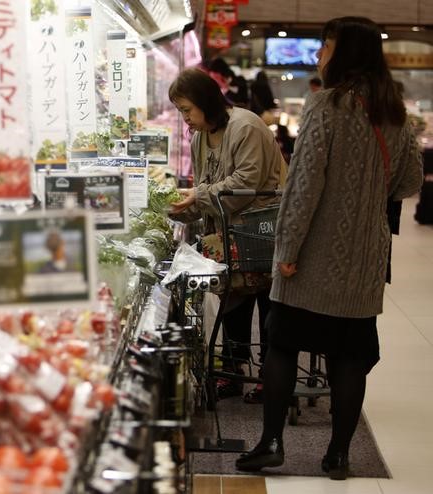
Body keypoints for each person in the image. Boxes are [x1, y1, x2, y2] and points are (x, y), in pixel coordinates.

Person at [235, 17, 422, 480]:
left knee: (281, 342)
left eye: (326, 45)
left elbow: (303, 187)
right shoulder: (393, 111)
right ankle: (338, 454)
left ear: (344, 52)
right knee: (350, 353)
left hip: (314, 253)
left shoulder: (325, 105)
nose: (320, 54)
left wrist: (287, 248)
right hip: (366, 257)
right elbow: (410, 180)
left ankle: (272, 443)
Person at [167, 68, 286, 401]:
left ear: (206, 101)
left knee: (268, 301)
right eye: (181, 112)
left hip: (263, 228)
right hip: (228, 232)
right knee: (232, 299)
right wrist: (177, 207)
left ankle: (269, 373)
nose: (185, 119)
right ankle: (234, 369)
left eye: (187, 110)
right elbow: (207, 190)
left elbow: (245, 185)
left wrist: (196, 196)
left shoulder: (245, 127)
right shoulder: (199, 137)